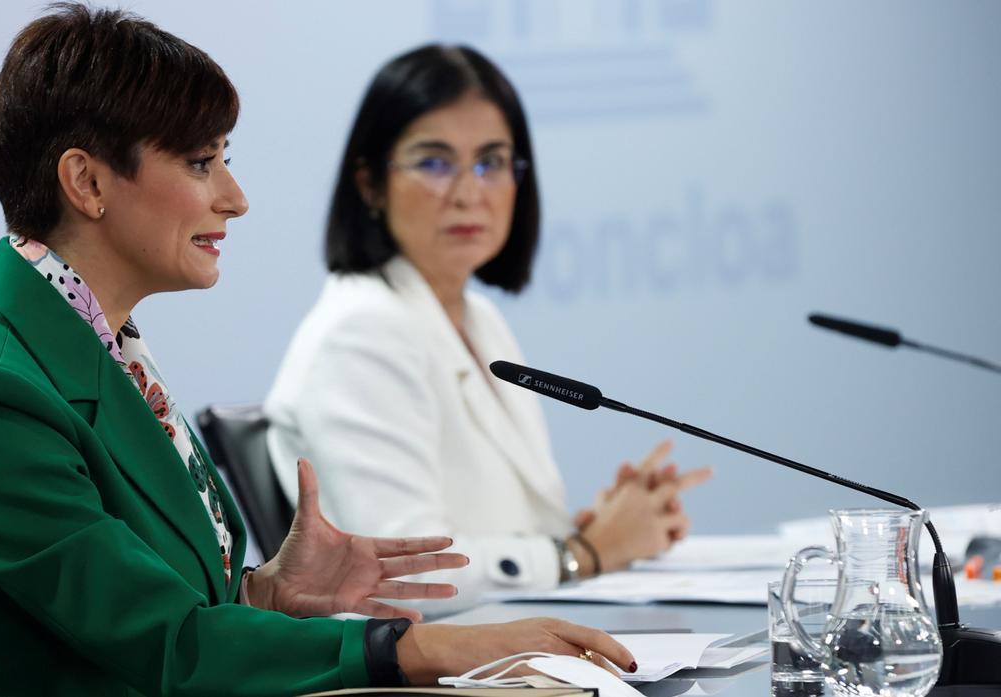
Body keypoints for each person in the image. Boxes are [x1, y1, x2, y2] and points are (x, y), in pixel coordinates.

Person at [0, 6, 639, 695]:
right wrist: (416, 648)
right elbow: (168, 644)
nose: (235, 196)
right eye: (201, 163)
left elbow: (141, 614)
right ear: (86, 181)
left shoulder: (93, 339)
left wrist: (265, 591)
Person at [265, 44, 711, 613]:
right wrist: (583, 553)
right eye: (434, 162)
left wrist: (606, 527)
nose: (470, 192)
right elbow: (403, 577)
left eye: (492, 162)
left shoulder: (478, 318)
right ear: (370, 183)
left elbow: (502, 525)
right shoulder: (361, 333)